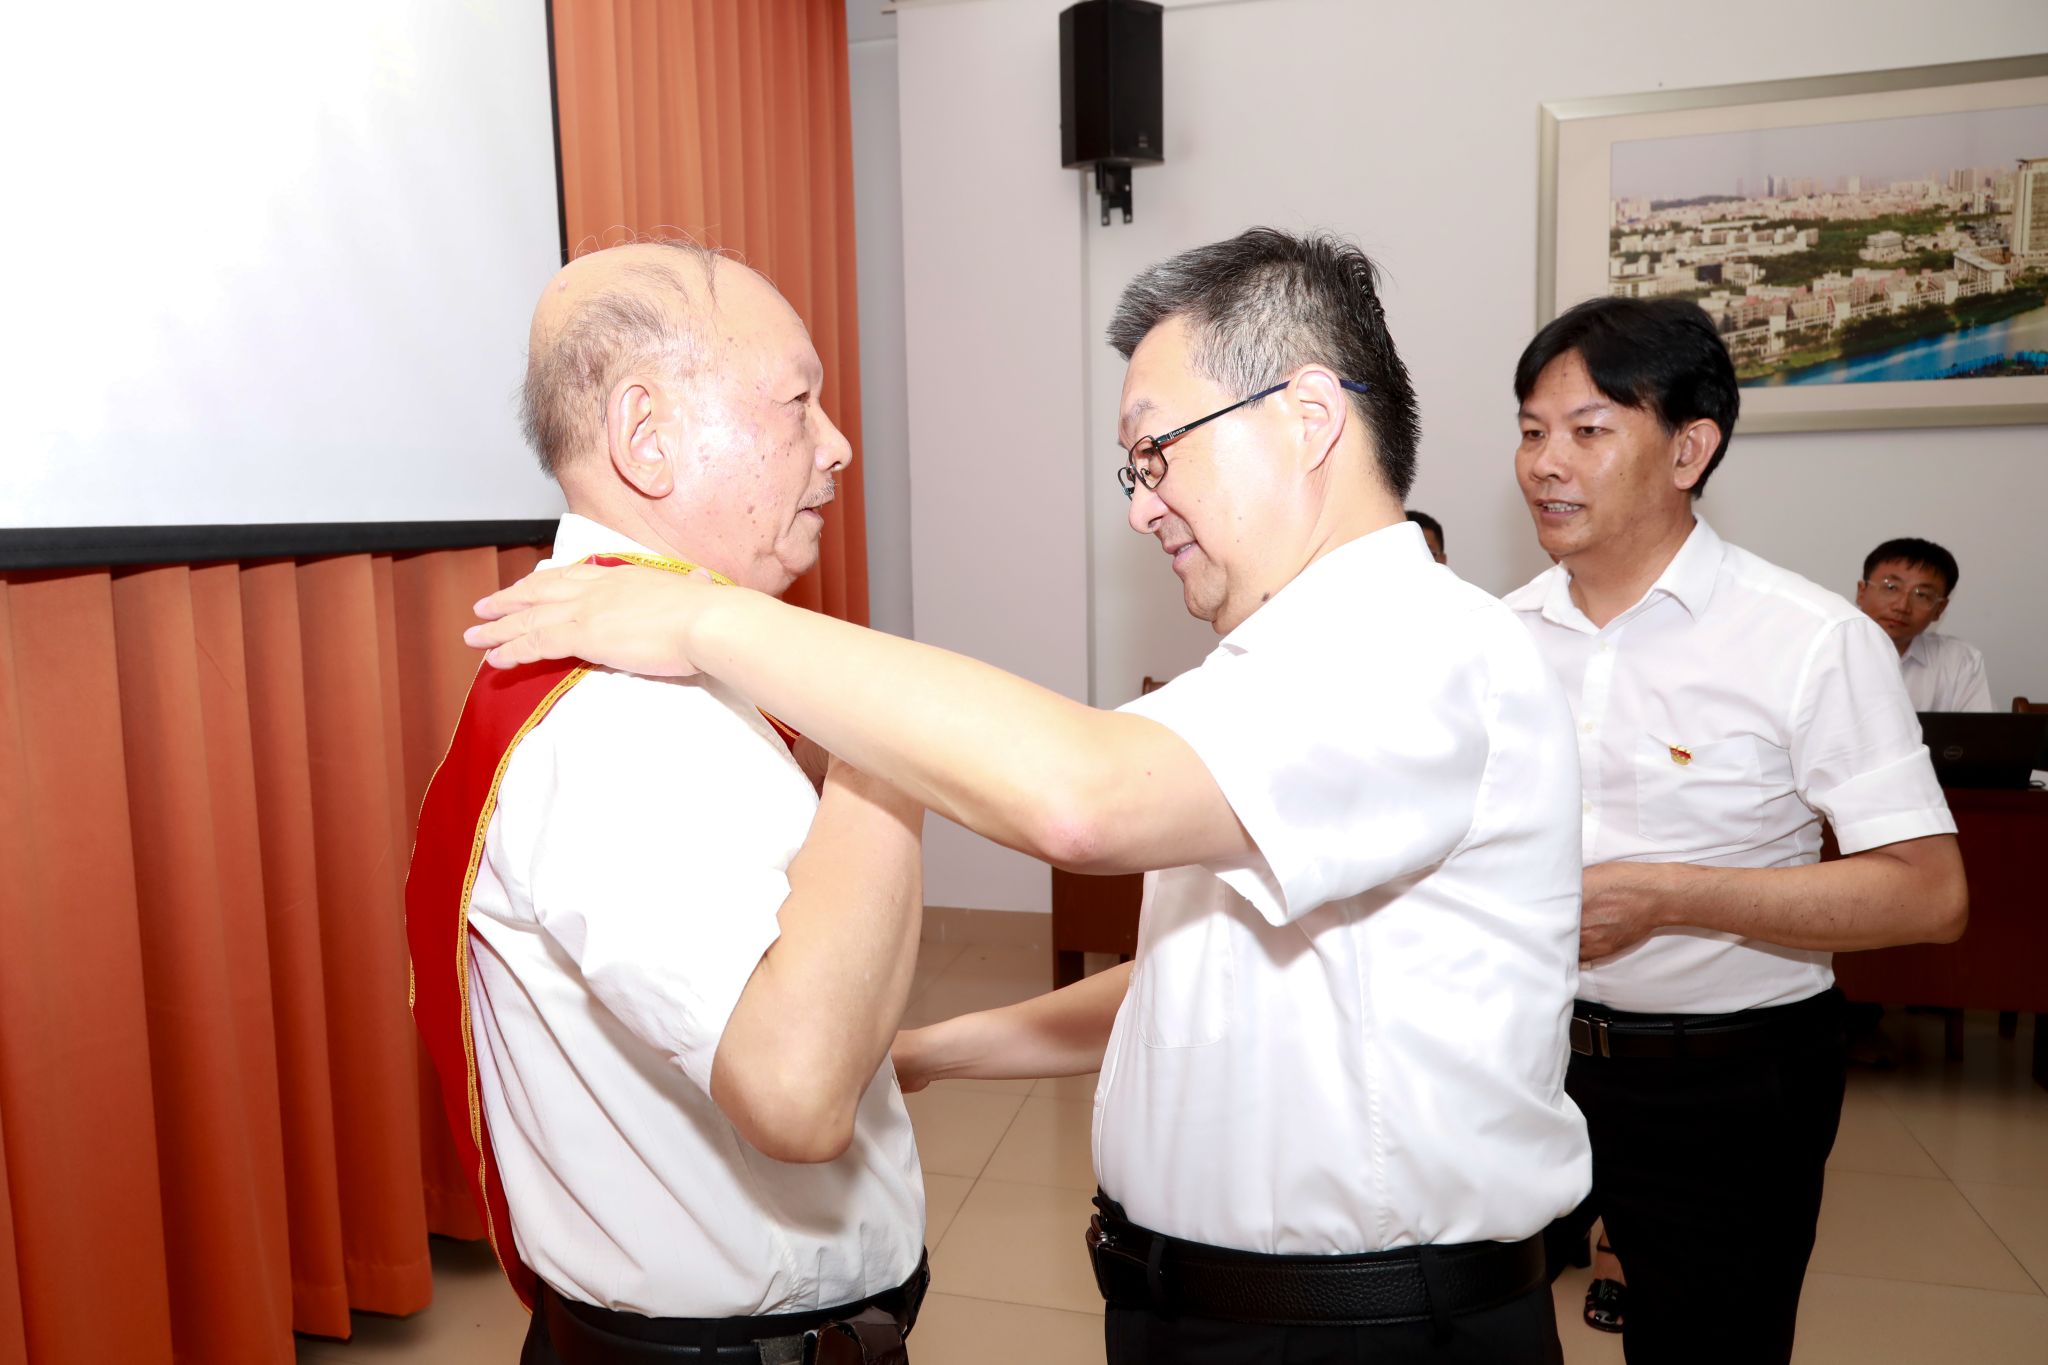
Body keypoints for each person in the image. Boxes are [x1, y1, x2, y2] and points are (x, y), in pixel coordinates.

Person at [468, 228, 1592, 1364]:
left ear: (1307, 419)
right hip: (1227, 1313)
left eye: (1155, 453)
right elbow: (1204, 977)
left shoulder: (1413, 649)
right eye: (1136, 468)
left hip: (1365, 1329)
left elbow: (1081, 799)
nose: (1141, 508)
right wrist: (928, 1051)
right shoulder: (1273, 675)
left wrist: (709, 619)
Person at [406, 241, 930, 1365]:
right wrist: (891, 741)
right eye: (797, 401)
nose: (837, 443)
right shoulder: (627, 717)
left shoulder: (671, 664)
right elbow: (795, 1089)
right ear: (646, 436)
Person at [1504, 296, 1968, 1365]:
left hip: (1724, 1080)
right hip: (1520, 1054)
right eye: (1530, 431)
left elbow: (1926, 891)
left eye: (1587, 430)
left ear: (1689, 449)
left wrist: (1671, 896)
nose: (1544, 463)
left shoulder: (1808, 639)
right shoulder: (1497, 636)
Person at [1855, 537, 1994, 711]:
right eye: (1891, 587)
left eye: (1921, 595)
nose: (1902, 606)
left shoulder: (1958, 661)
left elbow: (1977, 728)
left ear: (1939, 609)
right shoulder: (1827, 650)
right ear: (1861, 592)